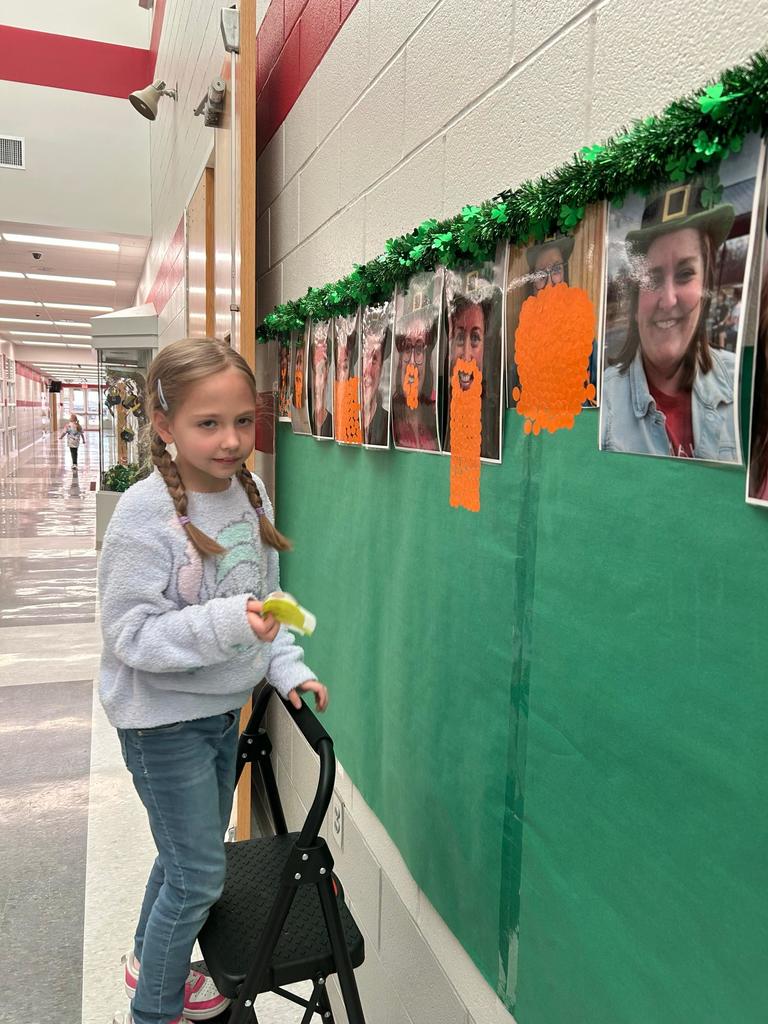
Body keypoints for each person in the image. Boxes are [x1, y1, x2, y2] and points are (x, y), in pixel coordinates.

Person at [99, 337, 328, 1024]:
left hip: (219, 714)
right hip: (159, 724)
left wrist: (288, 670)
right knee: (200, 873)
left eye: (241, 421)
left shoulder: (246, 494)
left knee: (183, 857)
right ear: (164, 427)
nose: (231, 441)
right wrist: (228, 623)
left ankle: (148, 965)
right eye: (208, 424)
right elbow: (131, 637)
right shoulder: (146, 517)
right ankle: (156, 1011)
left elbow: (270, 605)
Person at [601, 182, 737, 461]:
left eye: (686, 273)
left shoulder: (747, 388)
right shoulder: (604, 402)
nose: (669, 299)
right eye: (652, 278)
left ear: (706, 287)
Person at [444, 270, 502, 460]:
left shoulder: (494, 414)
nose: (466, 355)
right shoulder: (440, 407)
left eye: (475, 338)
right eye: (460, 338)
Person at [392, 284, 440, 452]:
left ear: (427, 358)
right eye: (406, 348)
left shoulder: (438, 413)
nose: (411, 362)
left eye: (419, 349)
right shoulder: (389, 417)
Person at [361, 303, 392, 447]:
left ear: (382, 370)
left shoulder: (388, 424)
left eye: (374, 359)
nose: (367, 369)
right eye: (364, 357)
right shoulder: (343, 421)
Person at [310, 320, 333, 438]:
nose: (318, 381)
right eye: (316, 369)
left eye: (322, 369)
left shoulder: (333, 423)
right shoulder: (307, 414)